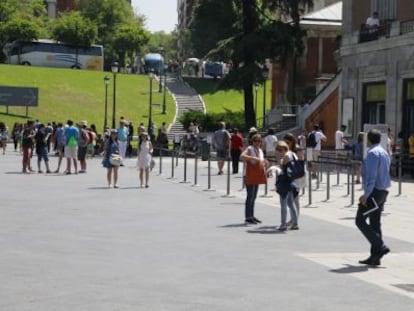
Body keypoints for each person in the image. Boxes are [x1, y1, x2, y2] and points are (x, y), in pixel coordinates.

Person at [356, 129, 391, 266]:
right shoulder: (384, 152)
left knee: (360, 220)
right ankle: (375, 257)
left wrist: (366, 195)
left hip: (374, 191)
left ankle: (380, 246)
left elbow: (371, 176)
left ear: (368, 140)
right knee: (375, 222)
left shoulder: (372, 154)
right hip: (383, 191)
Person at [240, 133, 268, 224]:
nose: (257, 142)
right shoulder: (250, 148)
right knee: (250, 196)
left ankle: (251, 215)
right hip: (249, 174)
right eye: (255, 141)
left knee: (254, 196)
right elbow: (242, 156)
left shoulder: (260, 150)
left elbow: (261, 161)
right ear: (252, 141)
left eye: (259, 141)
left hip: (257, 174)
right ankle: (248, 217)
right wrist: (252, 157)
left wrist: (265, 163)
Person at [275, 140, 299, 231]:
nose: (278, 152)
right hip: (292, 181)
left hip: (285, 181)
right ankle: (295, 223)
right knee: (291, 203)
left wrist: (280, 163)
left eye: (280, 150)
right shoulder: (293, 154)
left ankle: (283, 224)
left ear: (285, 148)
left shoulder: (286, 156)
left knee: (283, 203)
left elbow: (282, 167)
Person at [283, 133, 305, 218]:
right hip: (290, 176)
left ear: (292, 141)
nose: (286, 144)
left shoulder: (297, 149)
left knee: (295, 198)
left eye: (288, 142)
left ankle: (295, 219)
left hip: (297, 176)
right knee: (291, 199)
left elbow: (301, 163)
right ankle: (293, 218)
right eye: (285, 142)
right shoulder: (287, 150)